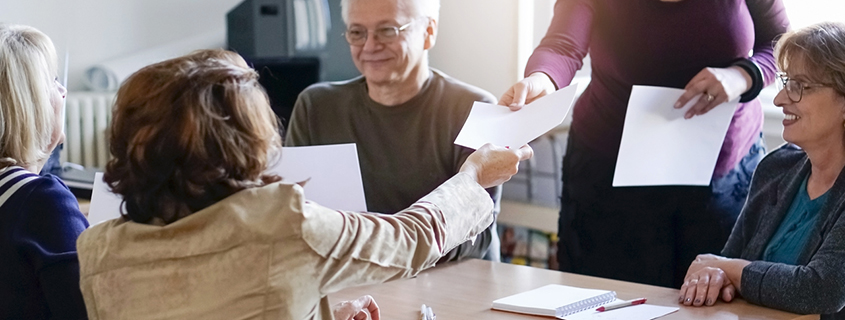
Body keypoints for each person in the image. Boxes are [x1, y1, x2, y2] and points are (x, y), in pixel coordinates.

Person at [75, 50, 533, 320]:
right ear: (241, 140)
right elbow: (411, 237)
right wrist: (473, 176)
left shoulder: (97, 249)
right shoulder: (278, 222)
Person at [499, 0, 790, 287]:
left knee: (714, 301)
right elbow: (563, 46)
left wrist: (743, 75)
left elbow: (781, 44)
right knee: (606, 296)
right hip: (610, 174)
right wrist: (543, 79)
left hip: (724, 174)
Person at [285, 0, 503, 262]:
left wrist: (377, 251)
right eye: (357, 32)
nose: (370, 46)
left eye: (387, 30)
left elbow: (475, 234)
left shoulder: (476, 110)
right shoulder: (315, 107)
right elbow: (295, 216)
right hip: (354, 283)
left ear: (428, 32)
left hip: (451, 285)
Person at [679, 22, 845, 319]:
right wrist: (717, 275)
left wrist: (728, 270)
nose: (781, 99)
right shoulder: (776, 168)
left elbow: (821, 290)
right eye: (785, 82)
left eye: (799, 86)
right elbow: (722, 267)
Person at [0, 24, 89, 319]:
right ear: (27, 105)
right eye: (52, 80)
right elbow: (92, 309)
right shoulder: (42, 201)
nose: (62, 90)